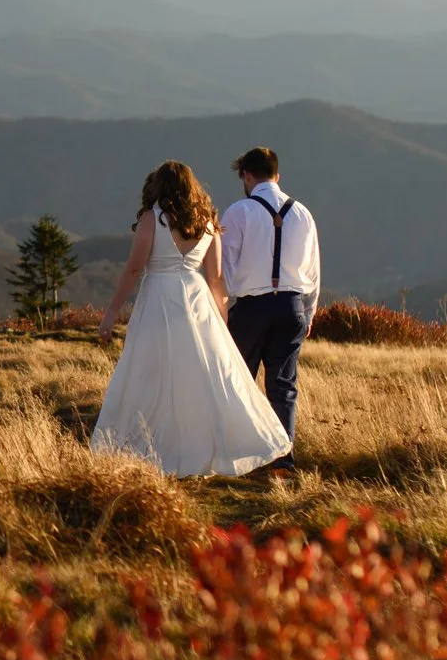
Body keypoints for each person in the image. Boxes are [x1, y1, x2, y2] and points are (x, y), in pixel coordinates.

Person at [91, 160, 292, 478]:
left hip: (159, 298)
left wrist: (112, 313)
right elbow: (215, 278)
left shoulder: (151, 218)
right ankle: (201, 450)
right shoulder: (208, 221)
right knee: (199, 378)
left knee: (151, 374)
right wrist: (221, 319)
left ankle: (154, 448)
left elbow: (134, 267)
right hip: (198, 301)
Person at [219, 146, 320, 469]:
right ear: (277, 175)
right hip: (292, 307)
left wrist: (224, 306)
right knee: (283, 386)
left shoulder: (238, 211)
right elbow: (313, 271)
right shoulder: (303, 213)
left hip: (251, 308)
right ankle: (282, 460)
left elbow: (225, 267)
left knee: (239, 382)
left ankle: (241, 456)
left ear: (247, 176)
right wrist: (309, 313)